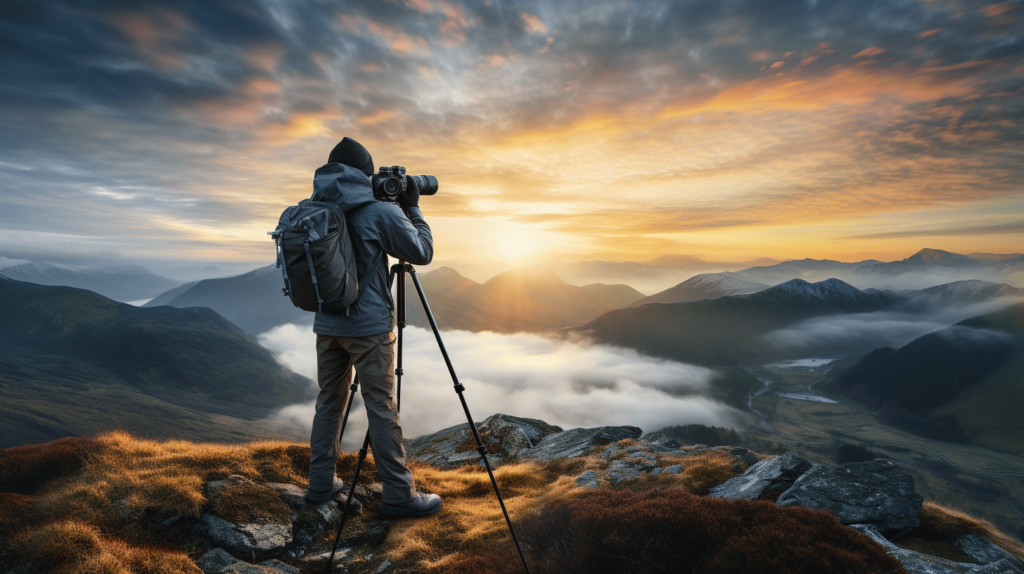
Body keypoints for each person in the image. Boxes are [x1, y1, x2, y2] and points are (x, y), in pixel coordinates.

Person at [303, 136, 441, 518]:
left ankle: (319, 485)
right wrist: (412, 208)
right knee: (381, 407)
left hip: (326, 324)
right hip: (368, 329)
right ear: (367, 175)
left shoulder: (315, 209)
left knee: (328, 402)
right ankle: (399, 494)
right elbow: (421, 253)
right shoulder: (380, 211)